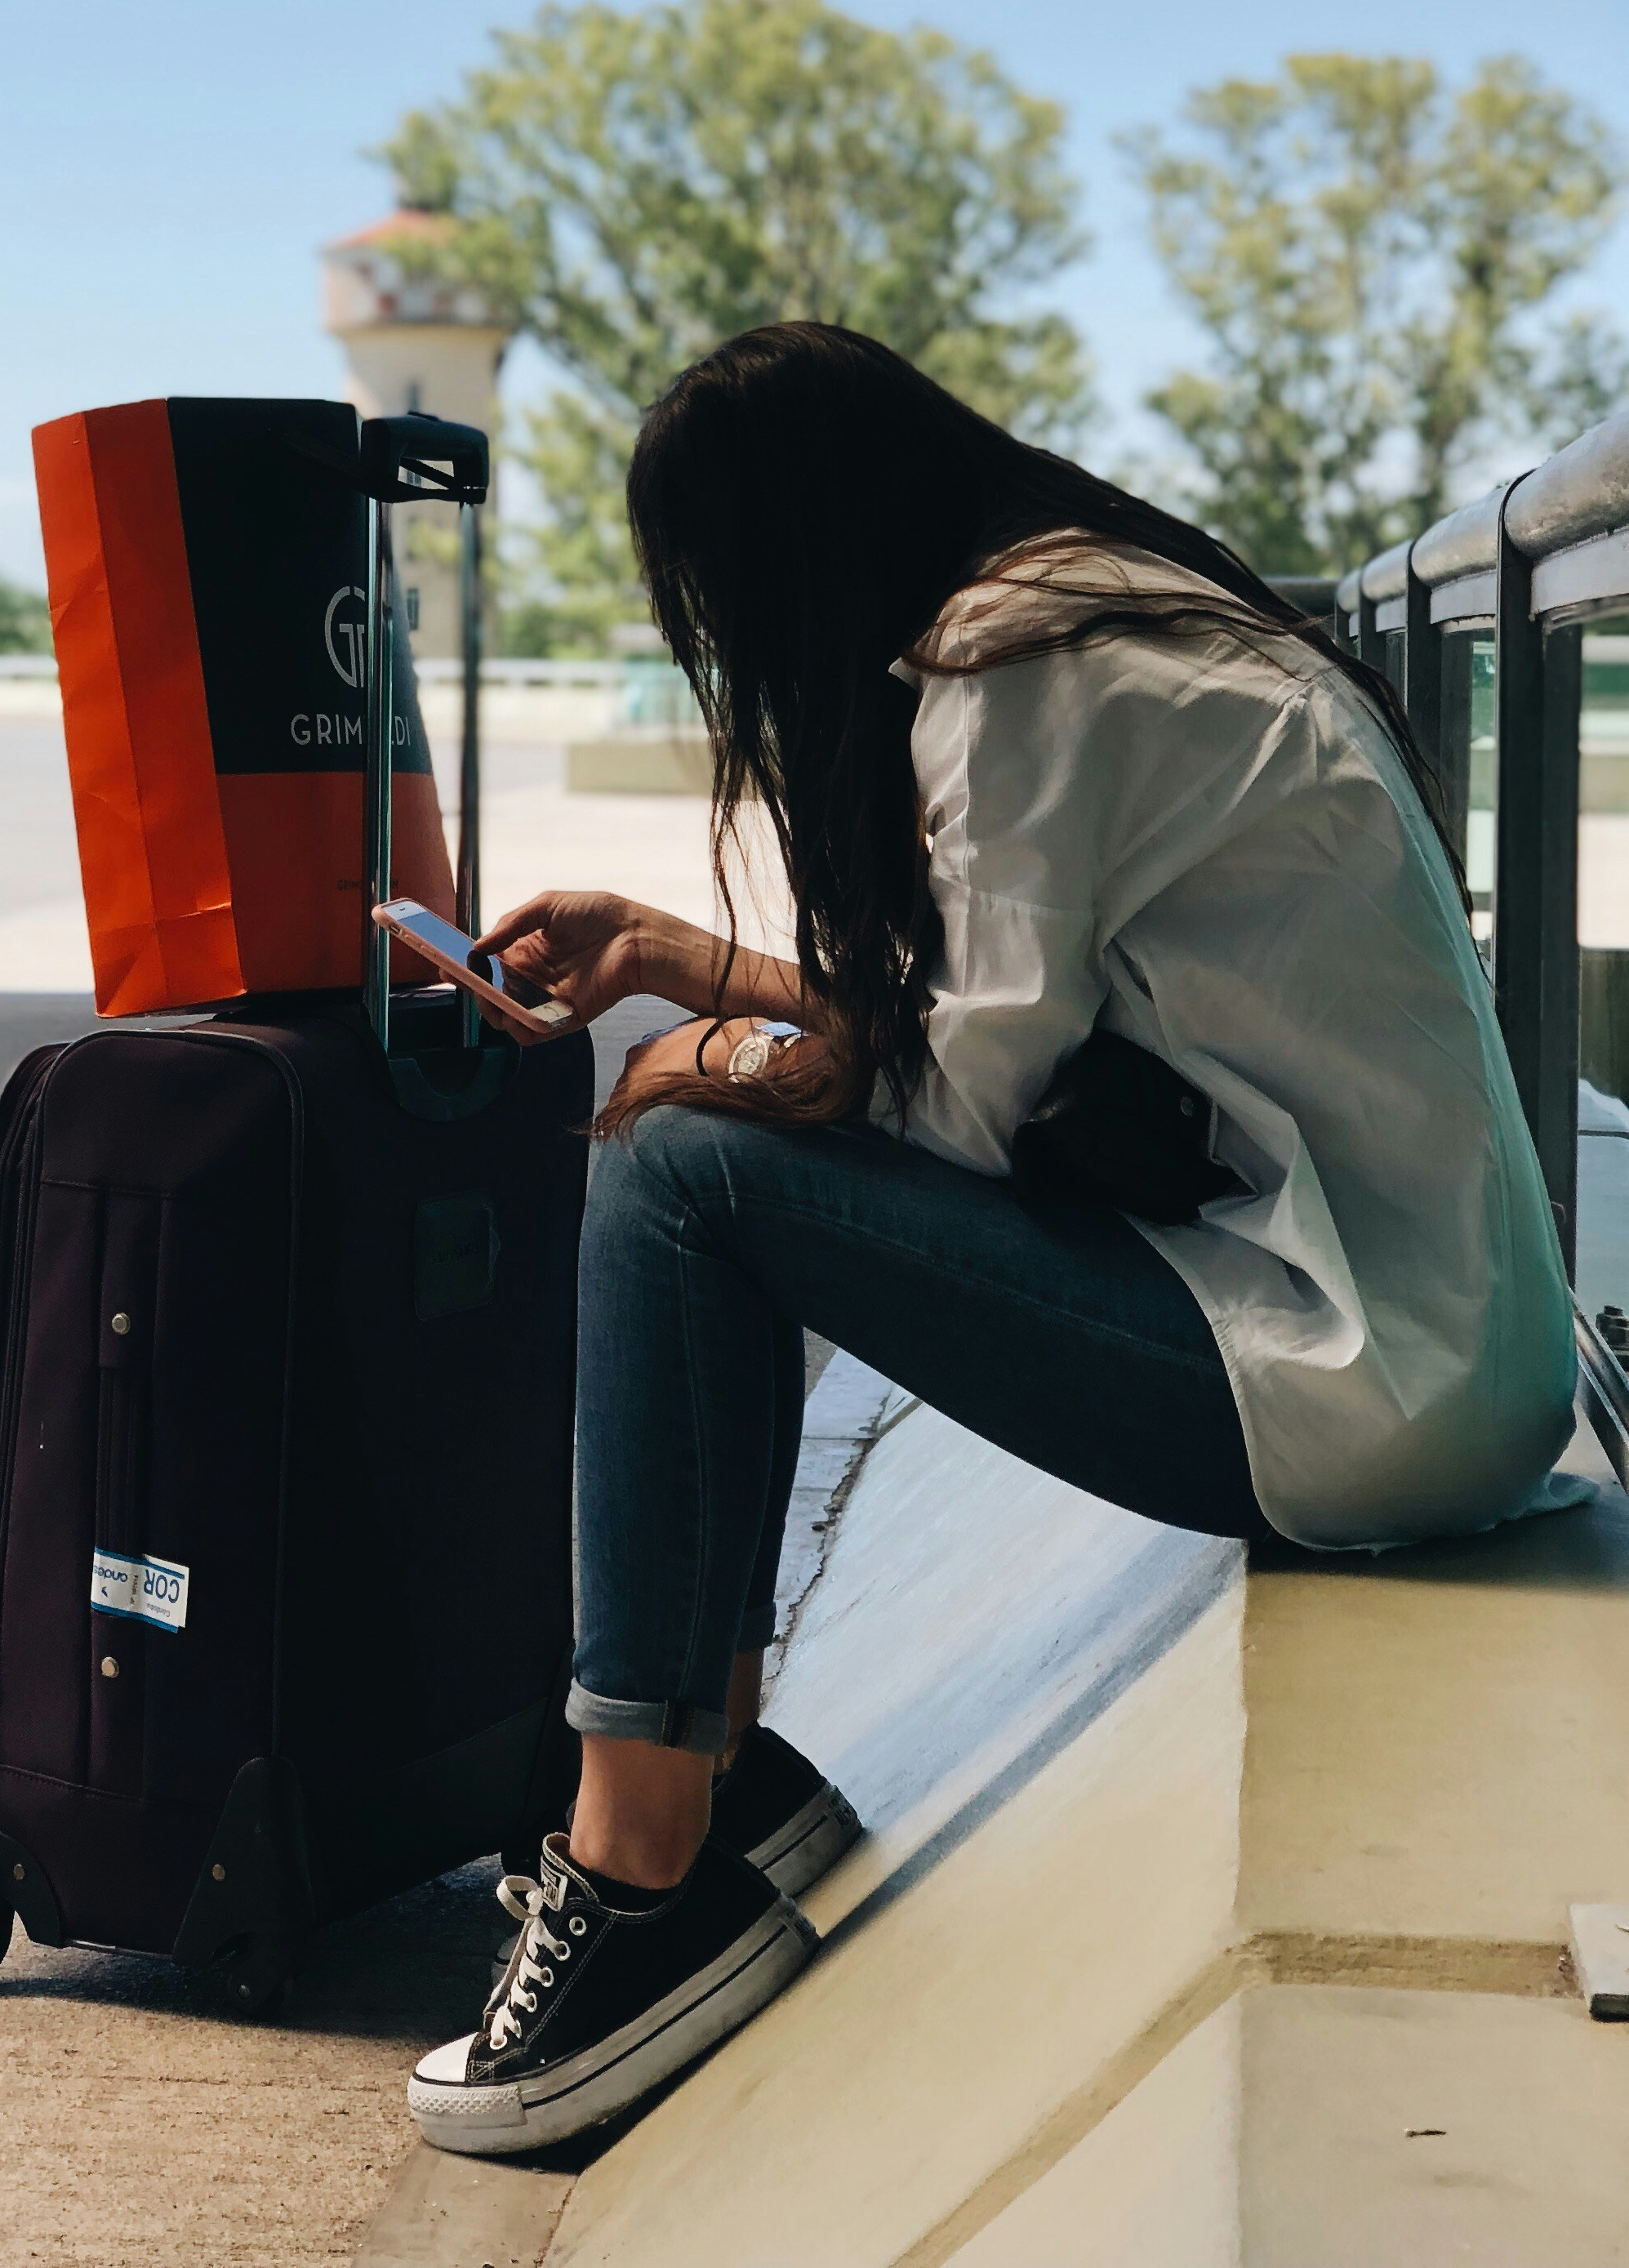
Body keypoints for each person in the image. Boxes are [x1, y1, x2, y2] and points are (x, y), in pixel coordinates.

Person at [407, 321, 1578, 2160]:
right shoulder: (1113, 618)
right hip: (1433, 1354)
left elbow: (955, 1107)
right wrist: (682, 961)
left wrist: (704, 1060)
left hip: (1354, 1386)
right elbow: (982, 1042)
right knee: (697, 1135)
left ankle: (639, 1866)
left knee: (676, 1168)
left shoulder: (1020, 672)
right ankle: (713, 1777)